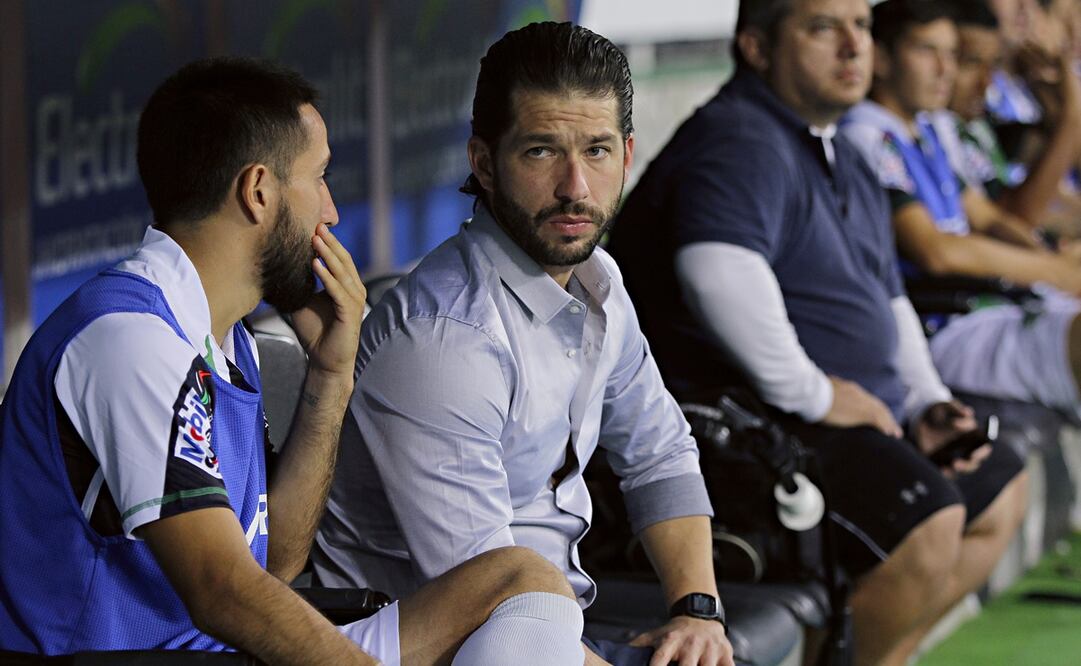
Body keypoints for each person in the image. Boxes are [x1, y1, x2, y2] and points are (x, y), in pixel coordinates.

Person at [0, 57, 585, 666]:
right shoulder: (130, 339)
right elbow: (223, 590)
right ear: (258, 192)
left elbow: (276, 562)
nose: (330, 211)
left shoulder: (226, 337)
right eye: (320, 176)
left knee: (522, 578)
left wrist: (332, 376)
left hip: (221, 651)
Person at [605, 1, 1027, 664]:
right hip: (739, 428)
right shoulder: (738, 137)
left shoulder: (836, 146)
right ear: (756, 46)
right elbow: (717, 271)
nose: (852, 46)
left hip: (835, 413)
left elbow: (887, 297)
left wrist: (924, 399)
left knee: (997, 482)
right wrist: (818, 397)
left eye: (859, 25)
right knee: (926, 517)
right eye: (822, 27)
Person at [315, 22, 735, 666]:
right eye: (541, 151)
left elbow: (659, 454)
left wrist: (696, 612)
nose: (576, 188)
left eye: (595, 151)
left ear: (626, 156)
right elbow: (493, 600)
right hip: (458, 643)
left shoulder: (600, 282)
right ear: (483, 163)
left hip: (554, 623)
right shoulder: (446, 338)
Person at [841, 0, 1081, 419]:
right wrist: (1056, 273)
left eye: (951, 54)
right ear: (879, 58)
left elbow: (991, 219)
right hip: (942, 324)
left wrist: (1050, 263)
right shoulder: (865, 132)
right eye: (926, 51)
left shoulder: (927, 130)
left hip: (997, 306)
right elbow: (937, 251)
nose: (944, 69)